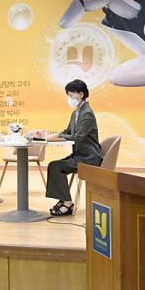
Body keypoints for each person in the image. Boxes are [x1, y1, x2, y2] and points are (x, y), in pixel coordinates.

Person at [38, 79, 101, 216]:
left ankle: (67, 203)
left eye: (71, 95)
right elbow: (68, 132)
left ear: (81, 94)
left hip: (89, 157)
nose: (69, 99)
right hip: (79, 155)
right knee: (54, 165)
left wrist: (56, 136)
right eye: (68, 95)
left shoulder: (87, 114)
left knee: (56, 167)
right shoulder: (76, 113)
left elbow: (77, 137)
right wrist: (50, 135)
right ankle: (64, 200)